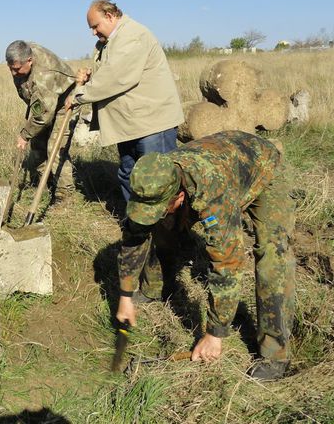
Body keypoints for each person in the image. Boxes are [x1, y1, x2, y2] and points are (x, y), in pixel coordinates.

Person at [117, 130, 296, 381]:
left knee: (272, 254)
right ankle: (155, 287)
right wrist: (126, 294)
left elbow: (227, 263)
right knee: (161, 224)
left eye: (159, 208)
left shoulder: (213, 194)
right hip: (223, 157)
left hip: (263, 168)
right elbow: (135, 235)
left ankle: (275, 353)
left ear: (179, 196)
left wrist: (214, 333)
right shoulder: (152, 178)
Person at [65, 0, 184, 302]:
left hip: (152, 125)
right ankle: (141, 234)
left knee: (161, 192)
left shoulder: (134, 35)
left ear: (111, 15)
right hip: (132, 124)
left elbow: (118, 78)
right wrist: (90, 75)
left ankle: (167, 262)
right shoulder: (111, 41)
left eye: (95, 26)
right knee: (131, 178)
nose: (93, 32)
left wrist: (80, 95)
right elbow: (108, 73)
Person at [5, 40, 77, 203]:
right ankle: (46, 183)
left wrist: (24, 135)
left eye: (16, 69)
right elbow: (39, 106)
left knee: (55, 148)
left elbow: (42, 116)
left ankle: (64, 196)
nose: (14, 73)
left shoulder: (44, 74)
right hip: (45, 101)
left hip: (65, 101)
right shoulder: (22, 53)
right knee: (38, 144)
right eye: (10, 68)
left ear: (29, 61)